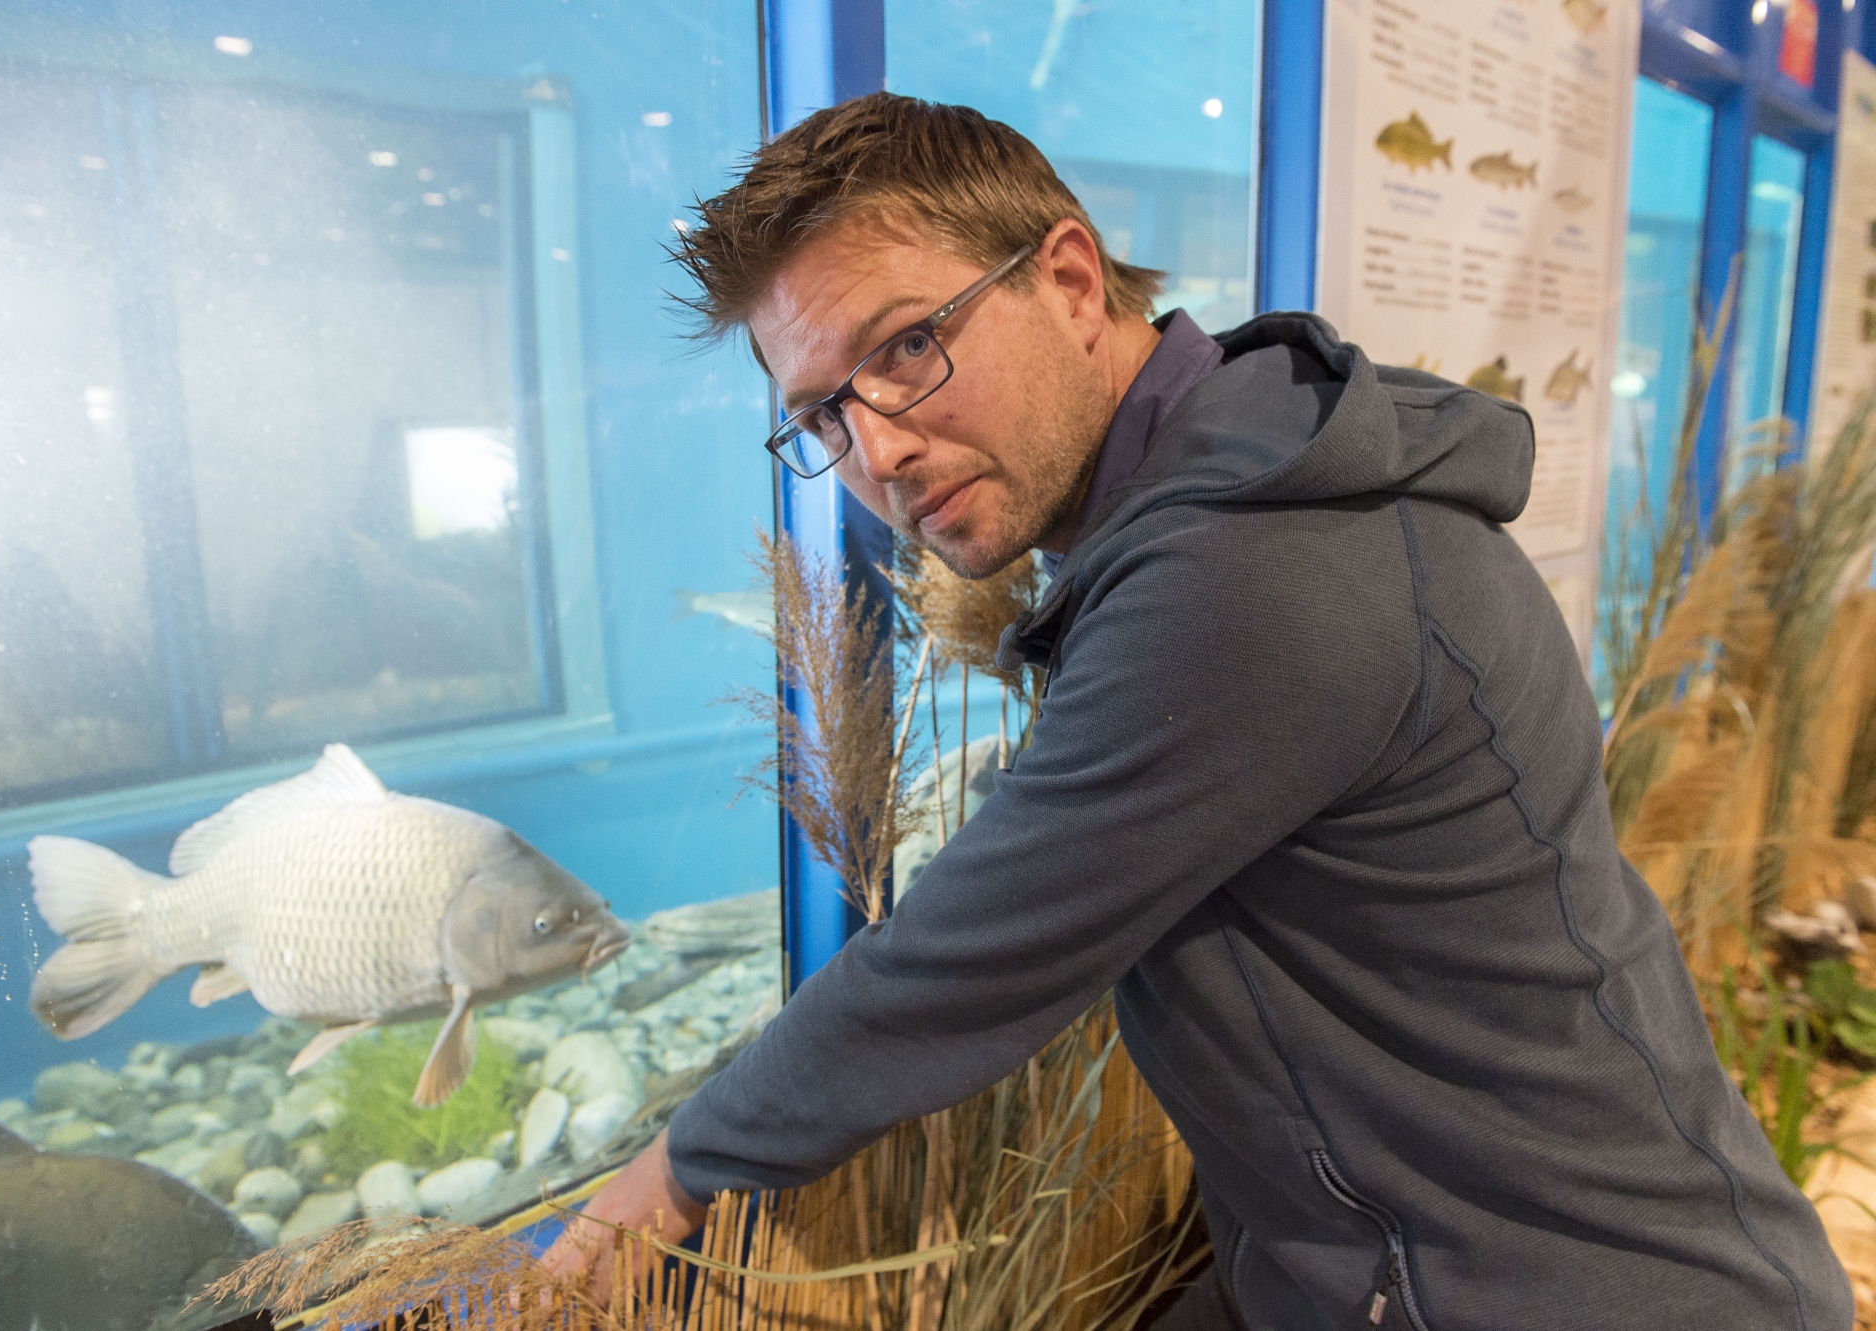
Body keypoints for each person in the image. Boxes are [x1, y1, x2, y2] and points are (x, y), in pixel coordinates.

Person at [540, 93, 1851, 1330]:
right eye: (825, 410)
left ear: (1066, 279)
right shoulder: (1246, 487)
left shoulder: (1246, 575)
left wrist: (658, 1187)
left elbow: (959, 963)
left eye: (908, 348)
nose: (876, 452)